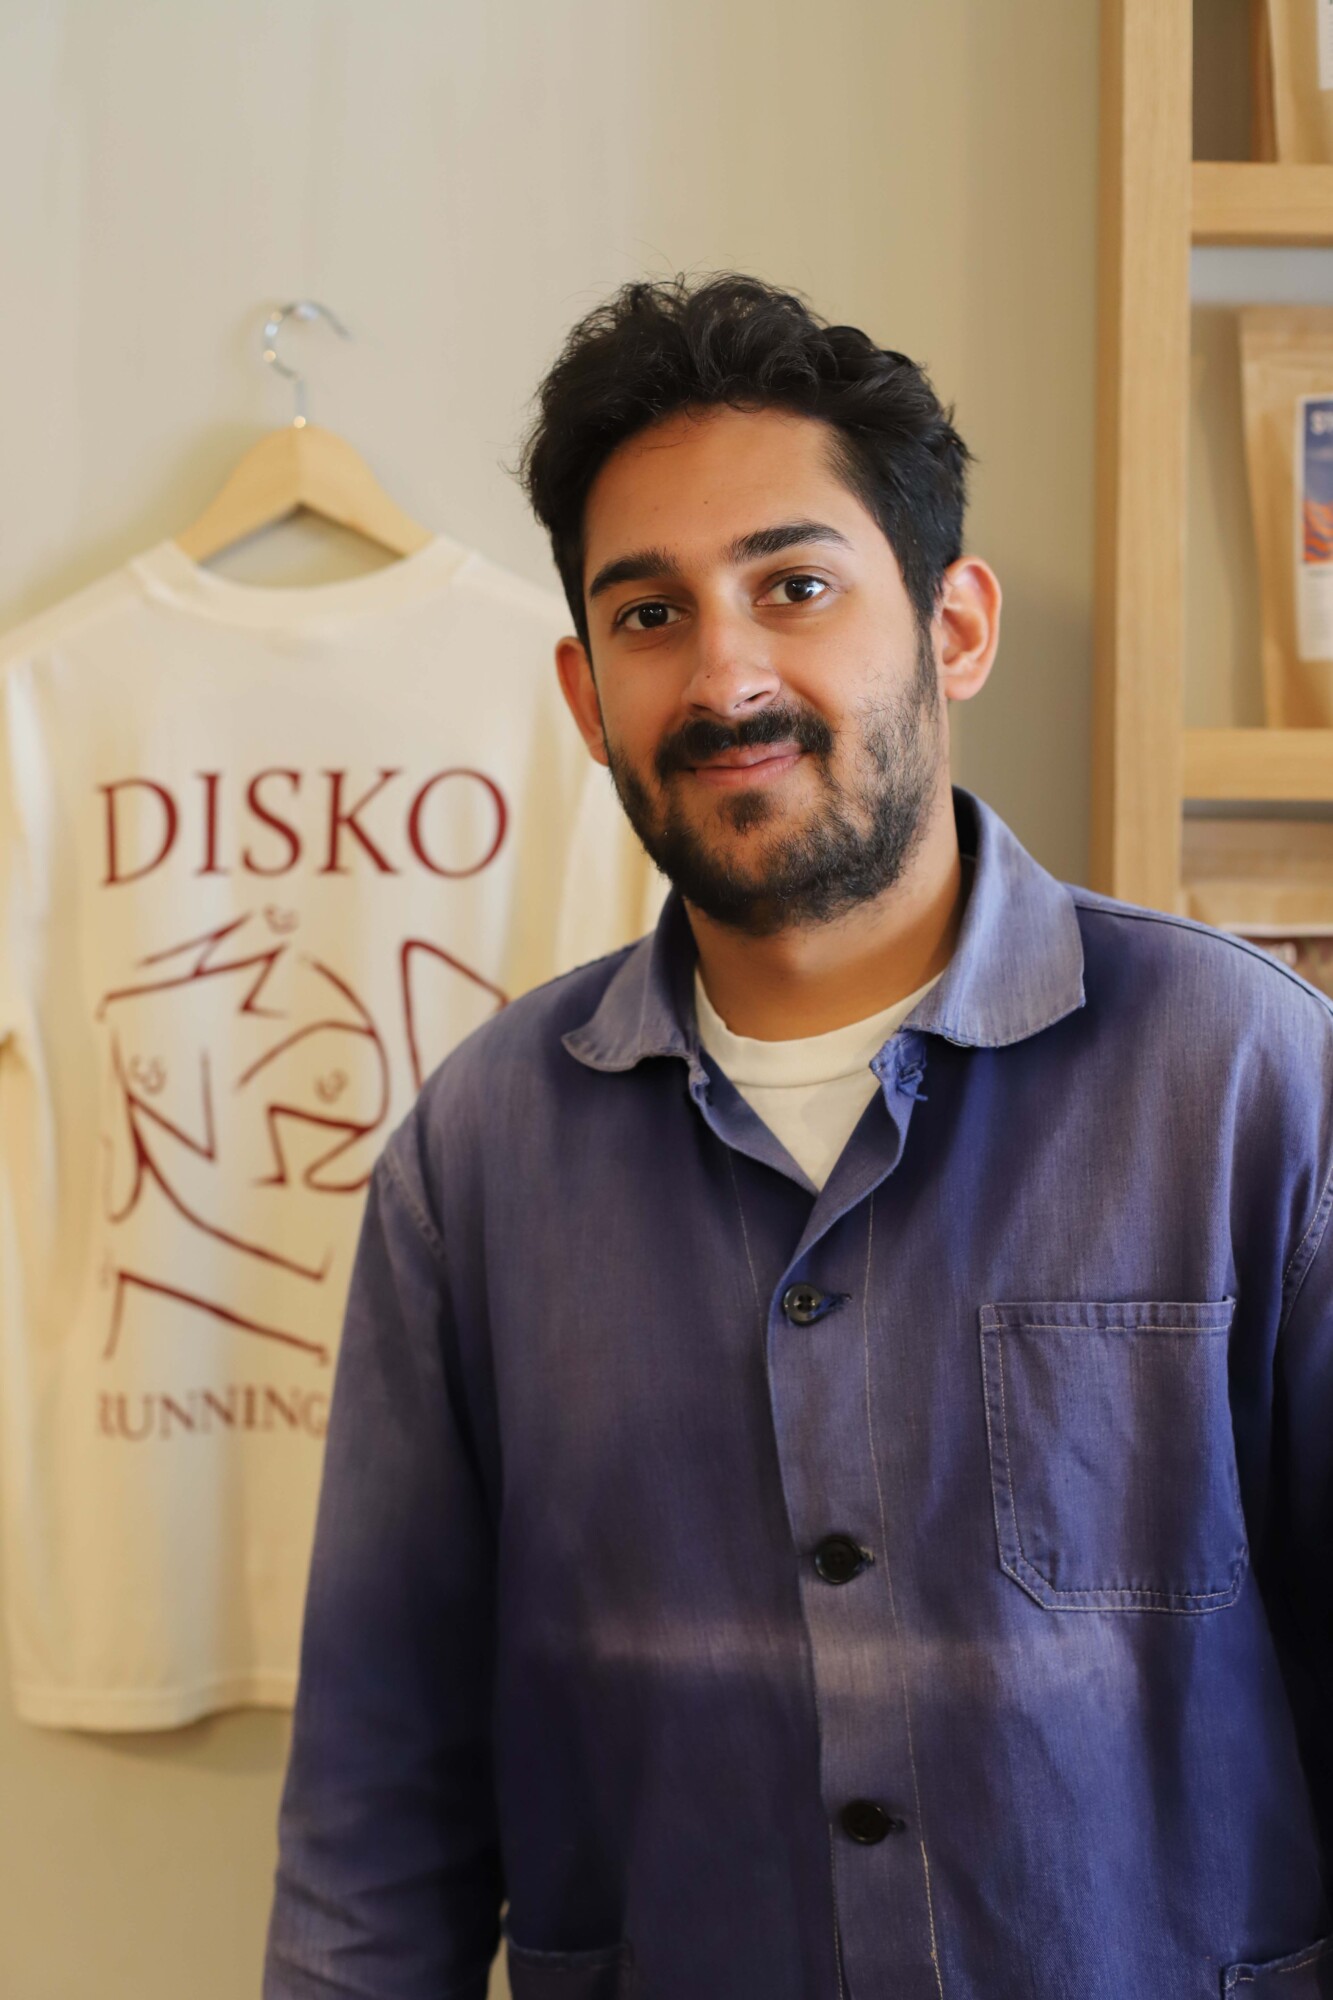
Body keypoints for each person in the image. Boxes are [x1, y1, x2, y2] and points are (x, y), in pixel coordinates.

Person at [263, 276, 1333, 2000]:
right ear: (583, 686)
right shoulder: (480, 1162)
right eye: (649, 615)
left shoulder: (1242, 1081)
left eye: (795, 586)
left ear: (952, 625)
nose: (726, 673)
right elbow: (377, 1817)